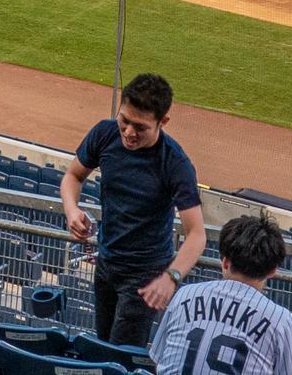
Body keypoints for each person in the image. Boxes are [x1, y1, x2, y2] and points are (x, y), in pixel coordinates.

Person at [62, 72, 205, 349]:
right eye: (124, 121)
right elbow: (73, 176)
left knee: (119, 356)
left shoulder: (175, 163)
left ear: (162, 122)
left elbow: (197, 234)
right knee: (104, 346)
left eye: (140, 127)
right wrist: (72, 210)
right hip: (106, 261)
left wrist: (170, 277)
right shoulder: (104, 134)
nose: (128, 132)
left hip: (145, 276)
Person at [148, 215, 292, 375]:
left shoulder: (185, 294)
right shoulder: (280, 321)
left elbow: (158, 359)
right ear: (273, 270)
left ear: (225, 262)